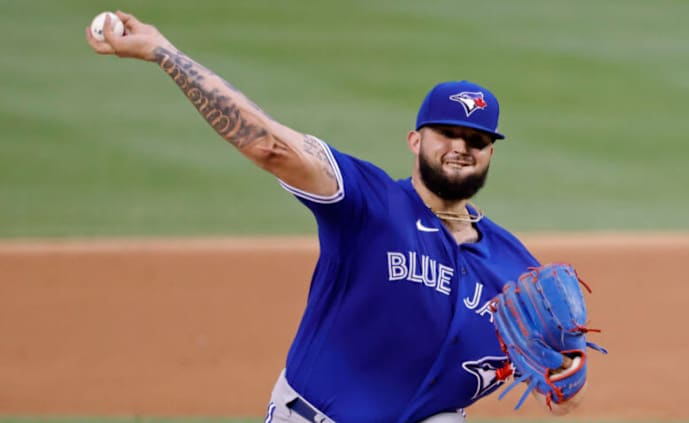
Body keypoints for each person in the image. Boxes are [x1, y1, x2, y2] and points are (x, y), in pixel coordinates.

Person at [86, 11, 583, 422]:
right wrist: (164, 54)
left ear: (490, 153)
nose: (460, 147)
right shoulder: (368, 205)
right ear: (415, 141)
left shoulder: (516, 269)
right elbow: (271, 146)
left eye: (476, 140)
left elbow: (563, 394)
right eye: (446, 133)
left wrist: (568, 381)